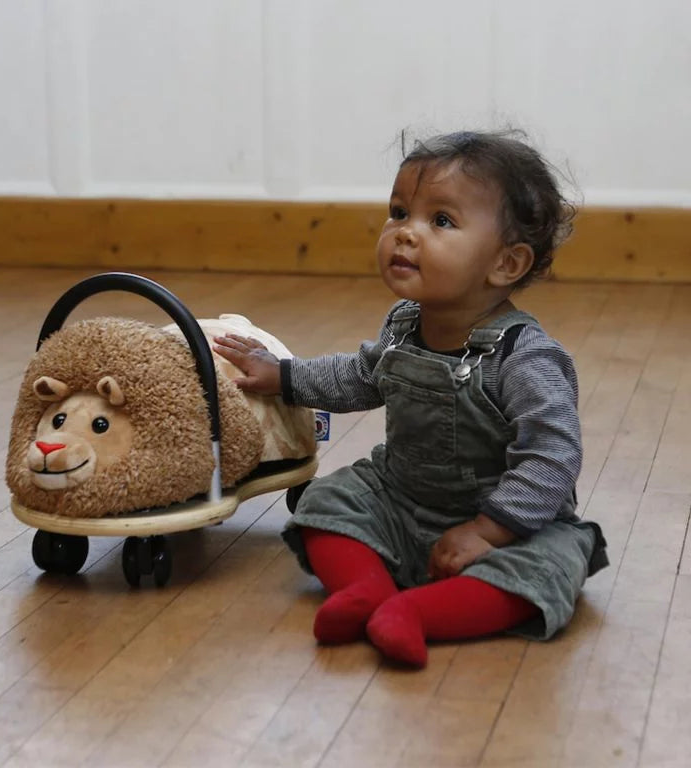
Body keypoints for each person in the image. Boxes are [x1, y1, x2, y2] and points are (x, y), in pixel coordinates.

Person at [213, 130, 608, 668]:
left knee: (547, 568)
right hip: (401, 497)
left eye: (440, 221)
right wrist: (282, 376)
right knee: (323, 503)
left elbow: (552, 457)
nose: (405, 234)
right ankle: (366, 592)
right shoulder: (404, 326)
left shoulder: (526, 358)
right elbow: (358, 377)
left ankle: (420, 614)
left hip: (507, 527)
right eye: (399, 212)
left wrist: (487, 531)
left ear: (506, 265)